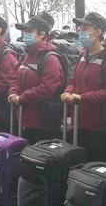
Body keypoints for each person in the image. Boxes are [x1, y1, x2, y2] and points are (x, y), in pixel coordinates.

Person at [61, 12, 106, 161]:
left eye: (85, 28)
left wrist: (81, 98)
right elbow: (73, 80)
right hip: (78, 122)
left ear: (98, 32)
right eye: (80, 28)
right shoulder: (83, 56)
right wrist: (68, 91)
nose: (81, 31)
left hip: (99, 127)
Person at [8, 15, 64, 143]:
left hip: (43, 120)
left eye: (29, 31)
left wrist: (22, 98)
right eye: (25, 31)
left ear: (42, 34)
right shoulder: (25, 56)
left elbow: (48, 87)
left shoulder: (50, 58)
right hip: (24, 115)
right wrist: (13, 92)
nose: (25, 34)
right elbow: (15, 78)